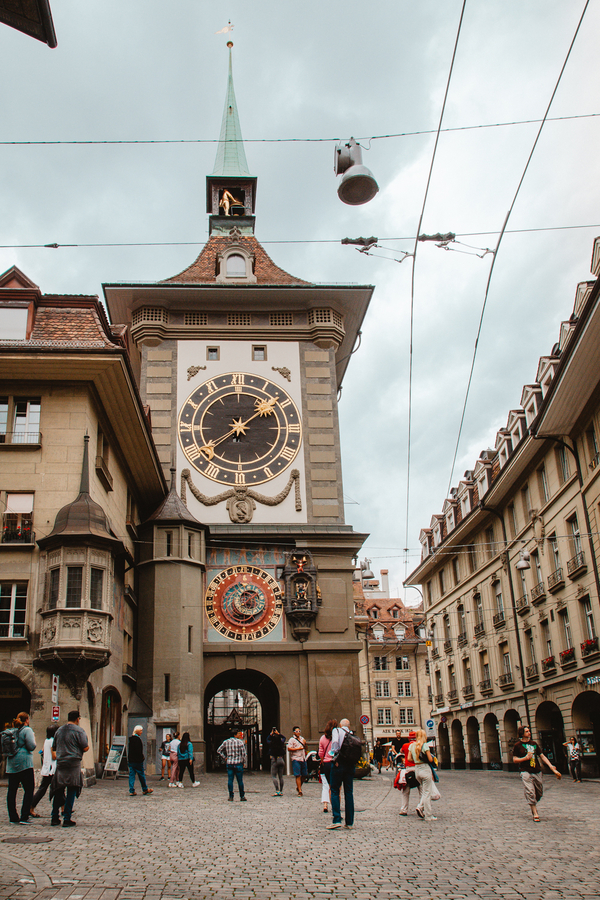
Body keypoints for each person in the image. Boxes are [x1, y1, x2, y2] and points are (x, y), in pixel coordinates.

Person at [513, 725, 561, 821]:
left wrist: (551, 766)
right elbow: (514, 759)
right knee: (531, 792)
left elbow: (542, 756)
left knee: (539, 792)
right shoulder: (517, 746)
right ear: (522, 733)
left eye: (529, 731)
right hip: (525, 771)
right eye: (527, 731)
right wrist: (525, 758)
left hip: (537, 770)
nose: (529, 733)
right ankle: (535, 813)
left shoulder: (534, 744)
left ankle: (531, 798)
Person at [51, 710, 89, 827]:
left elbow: (54, 746)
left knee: (58, 789)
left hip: (61, 762)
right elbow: (85, 747)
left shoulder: (59, 730)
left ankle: (54, 817)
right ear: (77, 719)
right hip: (73, 763)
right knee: (72, 789)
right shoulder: (79, 731)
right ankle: (67, 817)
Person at [5, 711, 36, 825]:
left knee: (12, 791)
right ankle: (24, 816)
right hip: (24, 764)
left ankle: (13, 817)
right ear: (27, 720)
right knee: (29, 789)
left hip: (11, 764)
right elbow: (31, 746)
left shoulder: (11, 730)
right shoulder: (27, 730)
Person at [327, 718, 355, 830]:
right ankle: (349, 822)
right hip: (350, 765)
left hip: (339, 764)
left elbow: (335, 744)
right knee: (349, 793)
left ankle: (337, 819)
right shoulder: (352, 734)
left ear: (340, 725)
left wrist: (333, 755)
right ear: (349, 725)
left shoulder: (336, 731)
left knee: (334, 790)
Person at [409, 728, 437, 822]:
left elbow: (409, 759)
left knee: (424, 792)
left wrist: (416, 760)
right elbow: (430, 759)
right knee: (426, 793)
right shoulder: (424, 746)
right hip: (425, 769)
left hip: (417, 770)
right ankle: (428, 815)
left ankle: (423, 809)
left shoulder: (412, 746)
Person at [30, 724, 58, 817]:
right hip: (51, 768)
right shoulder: (53, 741)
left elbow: (42, 751)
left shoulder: (47, 740)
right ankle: (31, 807)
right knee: (46, 789)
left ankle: (64, 807)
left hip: (47, 767)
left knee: (56, 788)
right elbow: (54, 756)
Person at [217, 730, 247, 801]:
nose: (239, 735)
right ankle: (242, 796)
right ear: (235, 735)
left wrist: (225, 757)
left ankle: (231, 796)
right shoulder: (240, 742)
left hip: (230, 763)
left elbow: (219, 750)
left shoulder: (226, 742)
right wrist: (243, 762)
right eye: (238, 734)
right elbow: (244, 754)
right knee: (240, 780)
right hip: (238, 763)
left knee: (230, 780)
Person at [318, 719, 338, 813]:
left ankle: (325, 804)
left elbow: (320, 753)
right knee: (335, 788)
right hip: (335, 763)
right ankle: (335, 807)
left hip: (326, 764)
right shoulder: (337, 737)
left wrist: (323, 762)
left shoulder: (322, 738)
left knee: (326, 785)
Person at [128, 726, 153, 796]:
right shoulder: (138, 740)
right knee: (141, 775)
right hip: (137, 761)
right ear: (137, 731)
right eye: (141, 731)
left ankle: (131, 790)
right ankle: (145, 789)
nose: (141, 732)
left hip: (132, 761)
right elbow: (139, 751)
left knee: (132, 775)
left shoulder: (131, 739)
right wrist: (141, 758)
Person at [398, 730, 418, 817]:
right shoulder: (418, 745)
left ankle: (404, 810)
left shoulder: (405, 745)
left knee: (405, 791)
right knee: (422, 790)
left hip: (409, 769)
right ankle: (422, 808)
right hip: (418, 769)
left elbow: (401, 751)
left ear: (409, 738)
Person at [287, 726, 308, 796]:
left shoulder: (302, 739)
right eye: (296, 731)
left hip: (303, 758)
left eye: (299, 731)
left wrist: (305, 743)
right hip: (296, 758)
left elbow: (305, 747)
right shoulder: (292, 740)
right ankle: (300, 790)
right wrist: (297, 748)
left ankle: (299, 786)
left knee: (305, 774)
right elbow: (289, 748)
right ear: (294, 732)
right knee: (297, 775)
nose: (298, 732)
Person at [266, 726, 286, 796]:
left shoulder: (271, 743)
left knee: (274, 776)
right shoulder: (281, 743)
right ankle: (281, 791)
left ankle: (277, 790)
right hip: (281, 759)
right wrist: (279, 734)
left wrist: (270, 734)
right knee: (281, 776)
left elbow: (267, 740)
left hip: (274, 760)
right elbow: (284, 738)